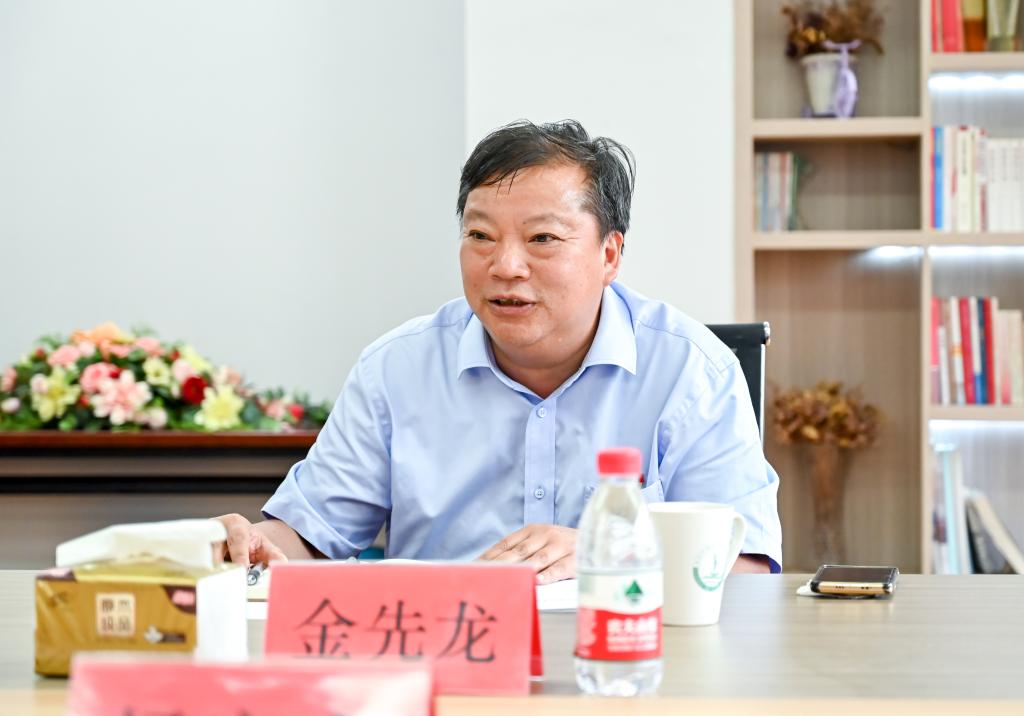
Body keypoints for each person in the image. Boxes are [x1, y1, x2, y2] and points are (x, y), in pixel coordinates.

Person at [218, 120, 782, 580]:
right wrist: (249, 545)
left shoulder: (691, 371)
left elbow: (747, 568)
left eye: (542, 239)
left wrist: (609, 551)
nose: (506, 266)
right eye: (480, 236)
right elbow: (311, 534)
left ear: (609, 255)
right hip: (447, 653)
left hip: (627, 657)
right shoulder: (396, 368)